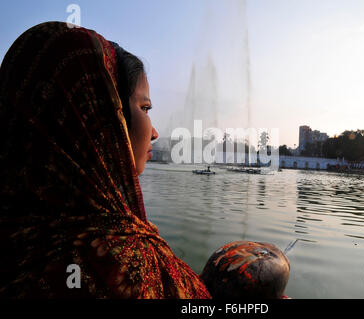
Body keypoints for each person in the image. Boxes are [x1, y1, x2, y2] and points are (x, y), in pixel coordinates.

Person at [0, 21, 210, 298]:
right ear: (101, 118)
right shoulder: (120, 264)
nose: (155, 132)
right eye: (144, 107)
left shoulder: (19, 237)